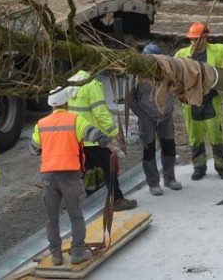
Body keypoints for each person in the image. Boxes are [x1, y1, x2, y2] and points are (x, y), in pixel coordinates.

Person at [30, 85, 126, 267]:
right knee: (75, 215)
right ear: (66, 102)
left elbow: (33, 149)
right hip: (70, 176)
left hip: (49, 177)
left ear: (51, 105)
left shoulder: (41, 125)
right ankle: (77, 252)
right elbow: (96, 135)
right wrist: (114, 148)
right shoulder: (75, 120)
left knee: (52, 218)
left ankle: (56, 255)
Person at [175, 22, 223, 181]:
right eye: (191, 40)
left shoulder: (217, 51)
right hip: (191, 102)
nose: (193, 43)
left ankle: (221, 167)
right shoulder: (182, 54)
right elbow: (171, 68)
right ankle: (199, 167)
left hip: (210, 100)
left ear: (205, 38)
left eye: (196, 39)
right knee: (195, 137)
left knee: (216, 135)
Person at [67, 71, 136, 211]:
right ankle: (117, 199)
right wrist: (116, 134)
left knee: (88, 168)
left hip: (80, 137)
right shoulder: (91, 84)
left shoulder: (71, 81)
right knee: (109, 168)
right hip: (94, 138)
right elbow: (101, 114)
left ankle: (89, 198)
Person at [128, 43, 182, 196]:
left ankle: (170, 179)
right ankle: (153, 183)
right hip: (147, 117)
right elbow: (131, 96)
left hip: (165, 114)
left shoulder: (167, 70)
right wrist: (140, 113)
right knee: (149, 150)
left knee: (169, 147)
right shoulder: (137, 74)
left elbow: (177, 85)